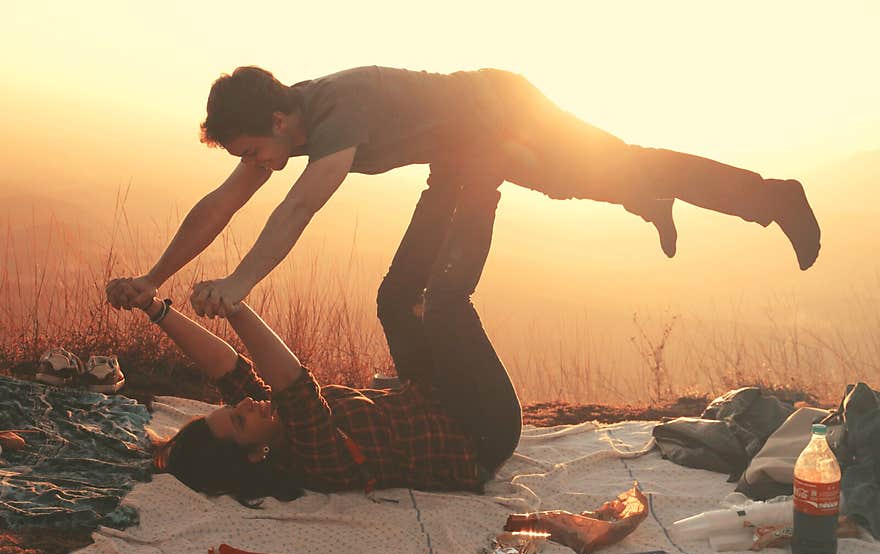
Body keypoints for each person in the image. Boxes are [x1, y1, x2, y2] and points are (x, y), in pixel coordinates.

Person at [105, 65, 822, 326]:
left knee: (618, 166)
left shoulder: (335, 113)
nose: (257, 165)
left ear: (278, 120)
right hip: (464, 147)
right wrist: (153, 278)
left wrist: (239, 280)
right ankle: (644, 197)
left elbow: (299, 208)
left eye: (254, 150)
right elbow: (221, 204)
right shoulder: (295, 125)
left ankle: (773, 197)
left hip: (501, 115)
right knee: (609, 176)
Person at [109, 201, 522, 505]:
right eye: (239, 418)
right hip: (480, 428)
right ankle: (483, 183)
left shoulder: (270, 425)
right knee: (447, 302)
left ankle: (447, 185)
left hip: (432, 395)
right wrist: (233, 303)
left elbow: (223, 366)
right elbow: (294, 383)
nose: (249, 404)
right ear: (256, 456)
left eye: (236, 408)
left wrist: (154, 307)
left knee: (394, 299)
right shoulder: (316, 460)